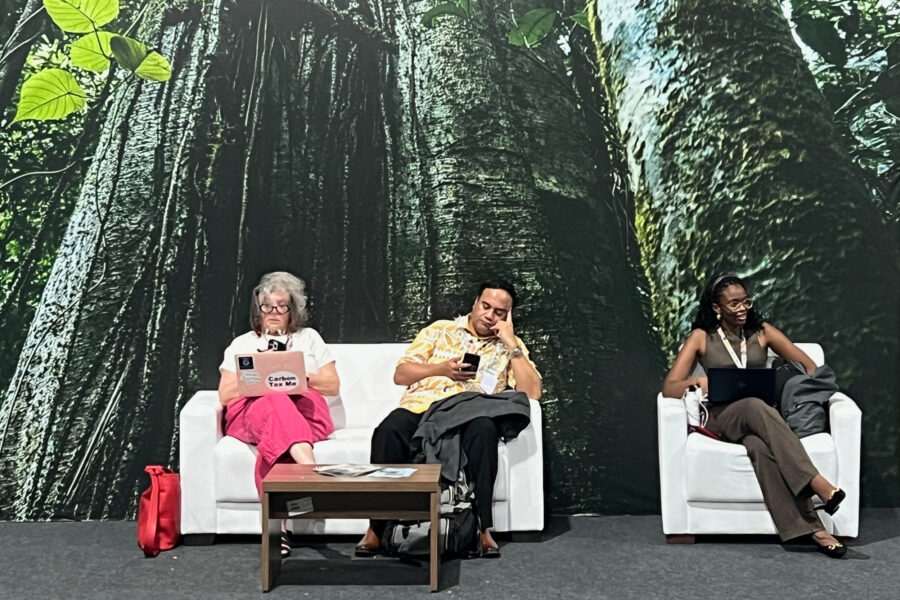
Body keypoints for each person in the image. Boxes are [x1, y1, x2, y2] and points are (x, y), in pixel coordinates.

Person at [662, 274, 847, 558]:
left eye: (745, 301)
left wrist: (794, 393)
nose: (742, 308)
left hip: (762, 419)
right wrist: (697, 383)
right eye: (733, 303)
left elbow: (809, 366)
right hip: (722, 417)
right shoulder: (701, 337)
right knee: (752, 405)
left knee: (760, 448)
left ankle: (815, 531)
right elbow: (670, 387)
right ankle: (816, 483)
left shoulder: (762, 332)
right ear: (716, 308)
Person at [355, 279, 542, 558]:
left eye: (499, 312)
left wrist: (512, 344)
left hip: (472, 411)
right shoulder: (439, 330)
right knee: (388, 431)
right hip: (423, 406)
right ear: (475, 303)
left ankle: (482, 528)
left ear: (508, 316)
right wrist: (442, 369)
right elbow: (401, 375)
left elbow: (532, 393)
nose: (489, 315)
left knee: (485, 430)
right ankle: (376, 527)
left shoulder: (509, 345)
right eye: (485, 306)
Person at [217, 271, 339, 556]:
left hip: (306, 413)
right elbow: (224, 394)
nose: (273, 312)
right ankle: (312, 472)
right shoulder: (243, 344)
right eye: (266, 306)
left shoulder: (309, 339)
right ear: (258, 309)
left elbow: (332, 385)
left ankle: (276, 531)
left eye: (281, 306)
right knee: (275, 402)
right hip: (253, 414)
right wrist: (260, 371)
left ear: (292, 310)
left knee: (278, 426)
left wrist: (295, 375)